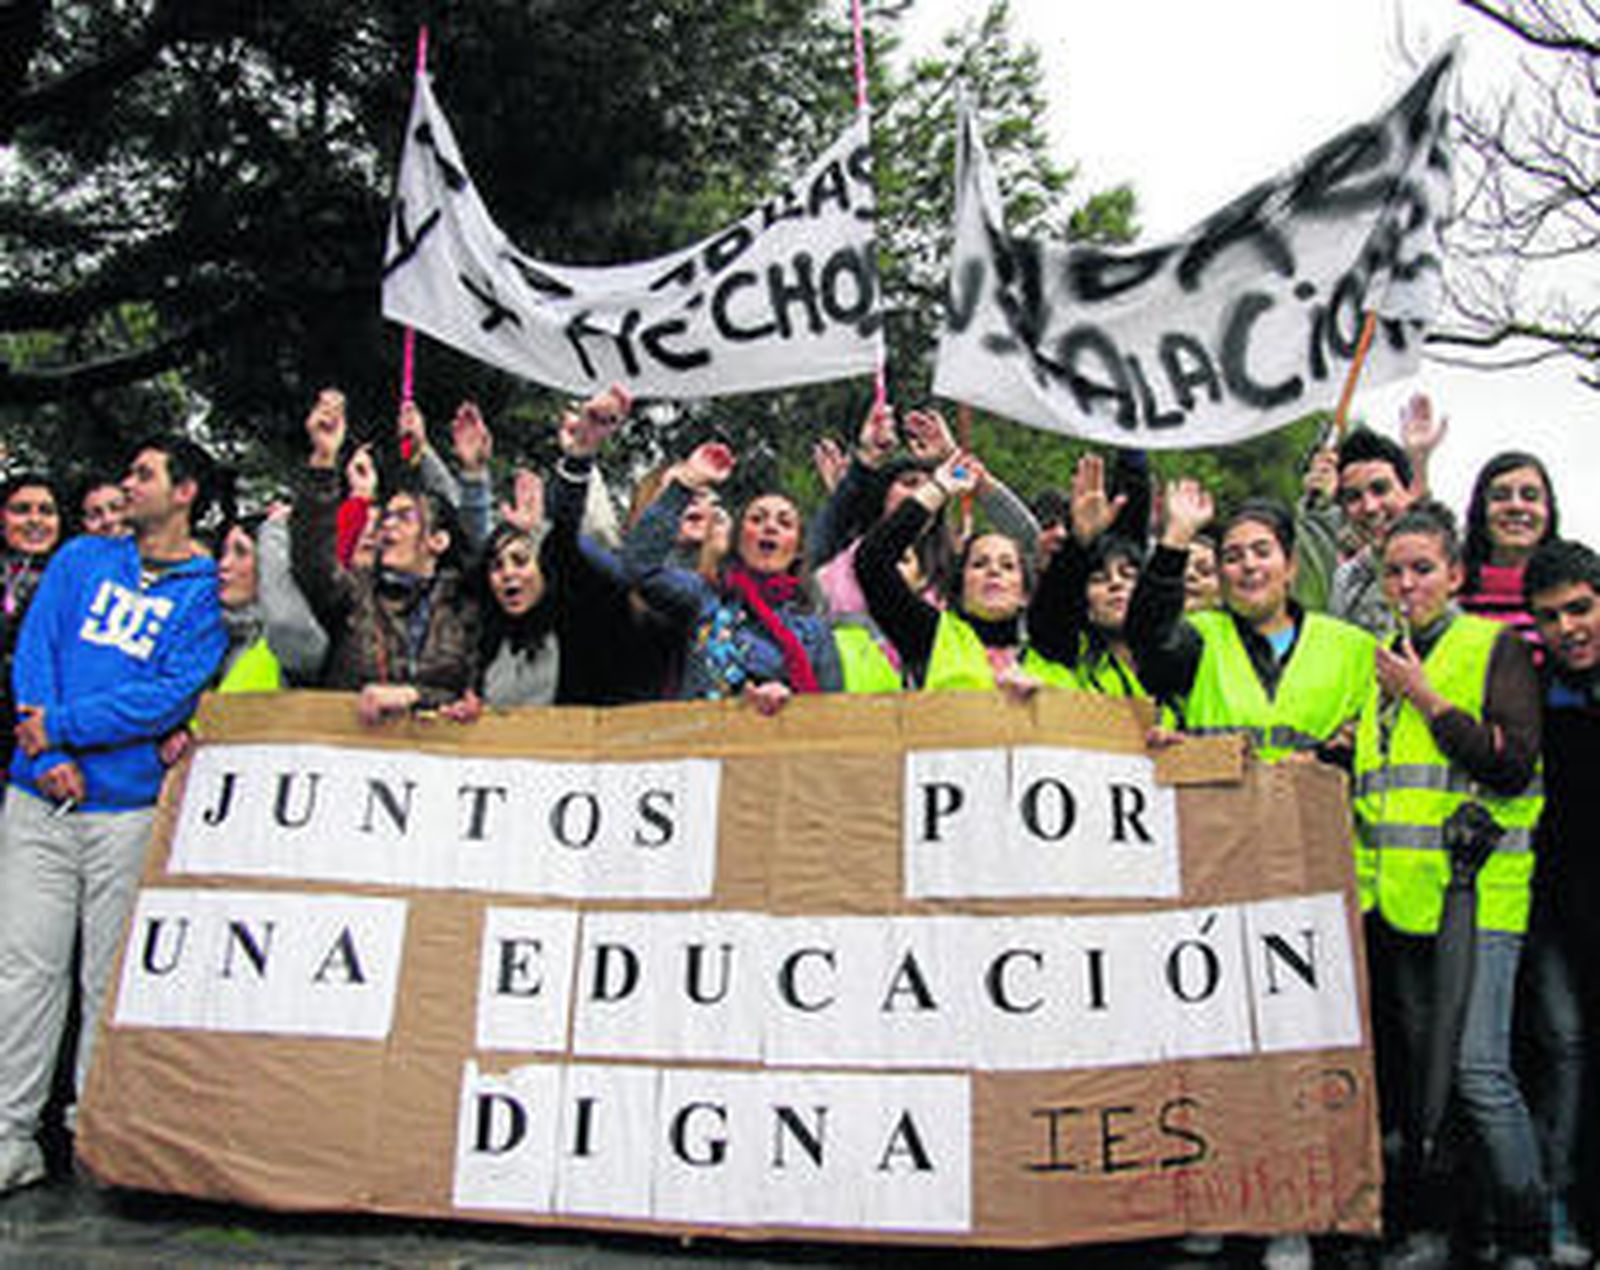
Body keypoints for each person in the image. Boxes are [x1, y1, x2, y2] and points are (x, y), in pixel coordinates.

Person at [0, 435, 227, 1194]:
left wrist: (64, 726)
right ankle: (9, 1136)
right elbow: (37, 650)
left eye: (143, 474)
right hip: (38, 797)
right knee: (22, 971)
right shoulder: (79, 559)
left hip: (126, 809)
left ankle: (91, 1135)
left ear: (184, 491)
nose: (128, 484)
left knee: (109, 978)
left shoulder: (203, 591)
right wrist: (44, 748)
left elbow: (168, 693)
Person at [1352, 502, 1546, 1266]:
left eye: (1423, 569)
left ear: (1456, 575)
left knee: (1478, 1070)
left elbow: (1512, 764)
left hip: (1480, 896)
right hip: (1404, 901)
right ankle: (1449, 1228)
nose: (1407, 584)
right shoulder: (1381, 663)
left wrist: (1427, 698)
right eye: (1394, 572)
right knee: (1428, 1079)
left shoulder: (1493, 647)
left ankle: (1530, 1234)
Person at [1127, 484, 1375, 763]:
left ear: (1291, 566)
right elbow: (1147, 638)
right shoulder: (1200, 637)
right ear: (1221, 576)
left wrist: (1326, 756)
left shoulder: (1353, 647)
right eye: (1232, 558)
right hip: (1213, 790)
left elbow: (1378, 737)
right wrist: (1176, 538)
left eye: (1262, 552)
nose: (1249, 565)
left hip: (1317, 791)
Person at [291, 390, 479, 726]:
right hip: (344, 747)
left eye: (404, 517)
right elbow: (312, 560)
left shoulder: (465, 605)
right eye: (386, 517)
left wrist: (415, 697)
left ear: (438, 541)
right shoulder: (356, 593)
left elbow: (474, 694)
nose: (387, 526)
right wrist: (323, 458)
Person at [625, 441, 844, 712]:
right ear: (738, 540)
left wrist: (787, 703)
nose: (770, 527)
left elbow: (833, 712)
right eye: (757, 519)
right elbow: (640, 566)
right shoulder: (704, 597)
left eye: (785, 522)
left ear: (797, 550)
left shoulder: (814, 632)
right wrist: (685, 484)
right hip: (700, 736)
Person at [1520, 538, 1600, 1264]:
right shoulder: (1541, 694)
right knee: (1565, 1047)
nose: (1568, 628)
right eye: (1549, 617)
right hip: (1554, 904)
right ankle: (1558, 1202)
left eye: (1580, 608)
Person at [856, 451, 1074, 696]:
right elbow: (872, 562)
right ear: (959, 588)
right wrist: (937, 489)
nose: (993, 571)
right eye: (979, 564)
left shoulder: (1055, 646)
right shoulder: (931, 635)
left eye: (1008, 566)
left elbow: (1056, 559)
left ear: (1025, 593)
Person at [1028, 454, 1152, 700]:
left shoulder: (1176, 660)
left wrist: (1135, 450)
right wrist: (1080, 540)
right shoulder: (1070, 655)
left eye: (1127, 575)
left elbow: (1134, 526)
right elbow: (1054, 606)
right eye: (1099, 579)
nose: (1115, 584)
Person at [0, 475, 63, 782]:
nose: (35, 520)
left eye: (46, 511)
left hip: (37, 734)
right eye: (22, 510)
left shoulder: (74, 580)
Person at [1461, 451, 1560, 647]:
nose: (1516, 506)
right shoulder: (1453, 589)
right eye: (1500, 496)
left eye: (1530, 496)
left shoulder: (1571, 591)